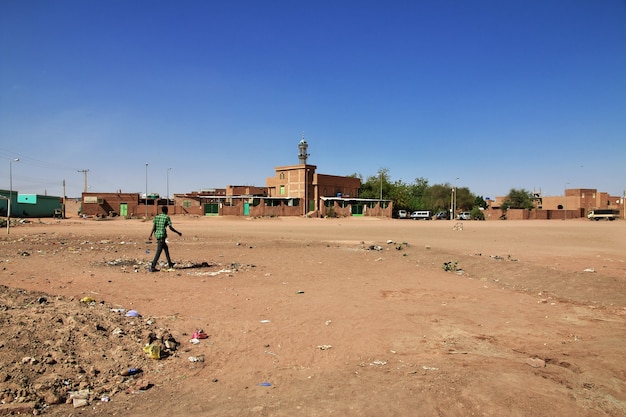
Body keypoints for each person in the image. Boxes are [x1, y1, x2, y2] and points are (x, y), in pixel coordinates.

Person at [148, 206, 182, 272]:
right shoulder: (166, 217)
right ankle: (153, 266)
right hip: (162, 236)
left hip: (157, 235)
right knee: (158, 252)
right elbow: (170, 228)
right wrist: (178, 232)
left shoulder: (157, 217)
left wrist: (151, 235)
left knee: (166, 249)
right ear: (166, 210)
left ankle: (170, 263)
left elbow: (154, 226)